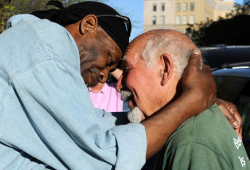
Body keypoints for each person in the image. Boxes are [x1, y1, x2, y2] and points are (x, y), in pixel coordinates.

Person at [0, 1, 239, 169]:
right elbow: (104, 156)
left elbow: (95, 127)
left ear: (166, 69)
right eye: (110, 61)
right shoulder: (46, 51)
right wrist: (191, 101)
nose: (107, 78)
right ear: (88, 25)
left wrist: (187, 101)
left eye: (120, 67)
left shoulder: (38, 49)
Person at [116, 29, 249, 169]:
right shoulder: (191, 131)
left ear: (165, 69)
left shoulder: (191, 142)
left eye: (127, 69)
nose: (119, 85)